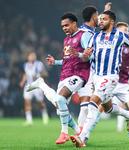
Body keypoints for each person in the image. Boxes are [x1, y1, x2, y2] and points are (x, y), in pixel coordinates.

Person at [69, 10, 129, 148]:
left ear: (112, 21)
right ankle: (127, 115)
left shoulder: (121, 36)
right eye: (100, 19)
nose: (100, 21)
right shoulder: (95, 37)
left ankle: (81, 138)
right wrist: (84, 55)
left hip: (111, 77)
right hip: (97, 77)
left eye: (104, 19)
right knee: (108, 108)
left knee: (93, 102)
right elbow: (87, 57)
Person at [83, 22, 129, 144]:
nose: (128, 32)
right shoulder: (105, 44)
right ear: (118, 32)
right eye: (126, 30)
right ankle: (85, 135)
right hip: (107, 82)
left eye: (128, 30)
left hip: (122, 84)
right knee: (99, 108)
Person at [26, 12, 91, 144]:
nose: (64, 28)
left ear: (74, 23)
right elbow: (68, 60)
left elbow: (89, 56)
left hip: (78, 74)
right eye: (62, 26)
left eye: (67, 25)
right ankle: (79, 132)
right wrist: (55, 62)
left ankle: (64, 133)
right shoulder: (66, 40)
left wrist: (78, 53)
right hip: (64, 75)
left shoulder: (83, 36)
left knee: (61, 99)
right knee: (60, 110)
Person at [19, 52, 49, 126]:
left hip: (37, 86)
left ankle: (45, 115)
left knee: (40, 102)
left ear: (35, 57)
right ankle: (29, 120)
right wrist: (22, 81)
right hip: (28, 86)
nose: (32, 57)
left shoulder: (39, 64)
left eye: (33, 55)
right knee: (27, 102)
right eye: (30, 55)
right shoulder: (26, 65)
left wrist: (37, 75)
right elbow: (25, 74)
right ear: (28, 57)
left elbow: (45, 73)